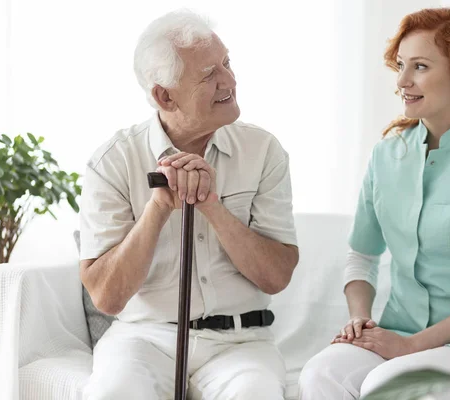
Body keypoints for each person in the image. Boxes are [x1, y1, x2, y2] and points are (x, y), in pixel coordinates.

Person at [299, 7, 450, 399]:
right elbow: (362, 257)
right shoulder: (385, 156)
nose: (402, 81)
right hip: (398, 336)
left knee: (386, 385)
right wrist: (360, 320)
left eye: (420, 67)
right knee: (320, 373)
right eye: (401, 65)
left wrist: (413, 346)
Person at [79, 9, 298, 400]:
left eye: (227, 63)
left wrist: (211, 204)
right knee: (112, 392)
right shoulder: (111, 161)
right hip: (143, 339)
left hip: (241, 343)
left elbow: (277, 277)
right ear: (164, 95)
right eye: (208, 74)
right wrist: (159, 208)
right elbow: (107, 298)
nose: (229, 80)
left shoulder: (263, 151)